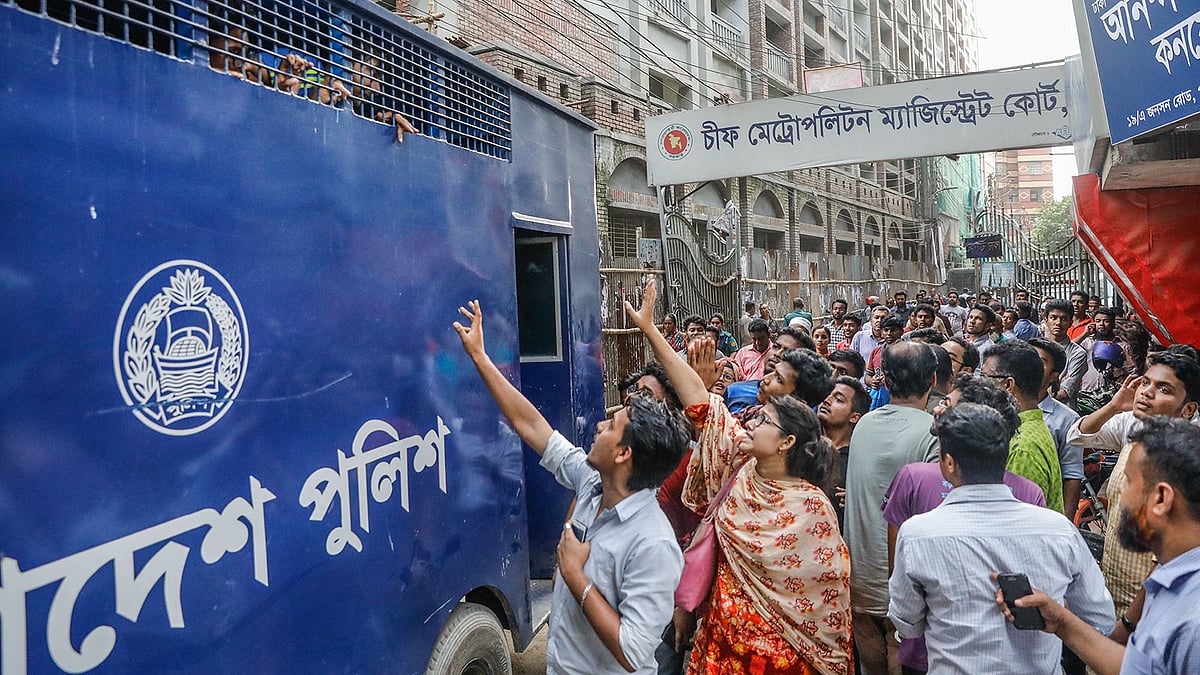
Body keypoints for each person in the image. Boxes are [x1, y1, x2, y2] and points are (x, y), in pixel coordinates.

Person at [624, 279, 853, 675]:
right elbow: (700, 400)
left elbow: (824, 597)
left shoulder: (812, 506)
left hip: (784, 662)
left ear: (787, 441)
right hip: (722, 649)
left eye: (763, 420)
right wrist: (650, 330)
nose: (748, 423)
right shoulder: (742, 463)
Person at [453, 299, 689, 673]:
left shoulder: (653, 544)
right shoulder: (593, 480)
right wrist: (480, 357)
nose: (599, 426)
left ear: (624, 453)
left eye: (611, 426)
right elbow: (532, 426)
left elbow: (633, 652)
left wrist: (576, 577)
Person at [889, 403, 1114, 675]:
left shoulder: (917, 534)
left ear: (948, 462)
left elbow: (907, 623)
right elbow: (1100, 619)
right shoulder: (1059, 531)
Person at [997, 416, 1200, 675]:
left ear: (1161, 498)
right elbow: (1137, 668)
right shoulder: (1173, 581)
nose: (1118, 494)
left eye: (1127, 481)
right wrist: (1061, 622)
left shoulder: (1193, 620)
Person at [883, 375, 1047, 674]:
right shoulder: (1028, 493)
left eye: (951, 406)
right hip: (1012, 653)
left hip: (933, 649)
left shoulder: (913, 478)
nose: (938, 408)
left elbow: (899, 578)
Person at [1066, 351, 1200, 619]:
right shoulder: (1134, 422)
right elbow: (1077, 435)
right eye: (1145, 382)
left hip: (1152, 604)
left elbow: (1169, 556)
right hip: (1115, 582)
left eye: (1163, 389)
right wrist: (1115, 406)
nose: (1146, 393)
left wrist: (1128, 624)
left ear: (1188, 410)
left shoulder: (1188, 458)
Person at [844, 341, 939, 675]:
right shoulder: (931, 433)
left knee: (868, 640)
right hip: (903, 574)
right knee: (898, 645)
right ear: (933, 381)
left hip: (860, 569)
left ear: (884, 380)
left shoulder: (864, 425)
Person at [980, 340, 1066, 514]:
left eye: (984, 378)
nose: (979, 385)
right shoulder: (1024, 429)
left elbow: (1015, 523)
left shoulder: (1022, 448)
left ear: (1008, 385)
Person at [1030, 337, 1084, 518]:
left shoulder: (1066, 419)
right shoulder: (997, 406)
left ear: (1054, 375)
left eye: (1041, 361)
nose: (1031, 365)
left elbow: (1071, 474)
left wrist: (1066, 524)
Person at [819, 376, 870, 526]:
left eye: (839, 400)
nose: (827, 400)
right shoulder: (804, 449)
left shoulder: (857, 465)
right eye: (828, 394)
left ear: (854, 417)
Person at [1044, 299, 1088, 409]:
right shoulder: (1036, 349)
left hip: (1063, 413)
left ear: (1070, 322)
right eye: (1053, 318)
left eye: (1063, 319)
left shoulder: (1078, 354)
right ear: (1046, 320)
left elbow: (1065, 391)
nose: (1058, 323)